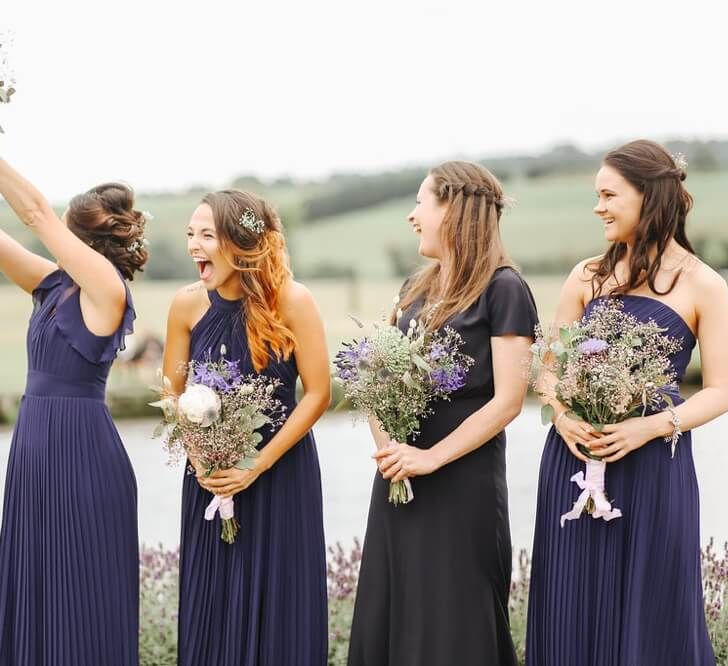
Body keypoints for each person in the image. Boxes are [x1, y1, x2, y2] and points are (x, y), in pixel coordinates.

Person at [526, 139, 728, 666]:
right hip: (573, 461)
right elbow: (547, 369)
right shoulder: (586, 275)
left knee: (654, 608)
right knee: (572, 604)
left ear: (649, 197)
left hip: (654, 469)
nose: (599, 207)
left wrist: (651, 427)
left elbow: (722, 390)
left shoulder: (705, 285)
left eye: (609, 194)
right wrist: (565, 418)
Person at [348, 161, 539, 665]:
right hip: (398, 479)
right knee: (396, 609)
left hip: (461, 485)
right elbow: (378, 379)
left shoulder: (504, 289)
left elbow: (509, 400)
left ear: (452, 208)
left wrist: (430, 458)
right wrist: (389, 445)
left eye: (420, 202)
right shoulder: (417, 288)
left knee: (454, 618)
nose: (412, 215)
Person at [163, 189, 330, 665]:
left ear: (239, 243)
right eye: (190, 235)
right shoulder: (185, 305)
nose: (194, 246)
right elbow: (172, 394)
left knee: (280, 604)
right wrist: (200, 457)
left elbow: (318, 393)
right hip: (209, 479)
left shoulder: (293, 301)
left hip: (280, 474)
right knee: (211, 604)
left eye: (206, 235)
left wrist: (255, 466)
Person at [0, 158, 147, 665]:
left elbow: (34, 213)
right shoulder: (53, 285)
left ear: (77, 235)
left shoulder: (107, 290)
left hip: (79, 455)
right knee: (36, 584)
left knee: (79, 591)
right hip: (35, 450)